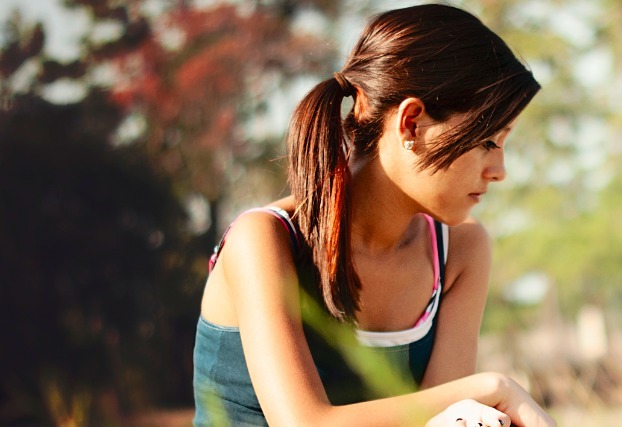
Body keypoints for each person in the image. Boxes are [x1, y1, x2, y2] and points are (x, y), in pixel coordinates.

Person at [192, 4, 553, 426]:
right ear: (412, 123)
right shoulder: (265, 240)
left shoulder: (460, 253)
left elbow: (442, 421)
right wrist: (491, 389)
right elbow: (305, 423)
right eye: (488, 141)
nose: (500, 171)